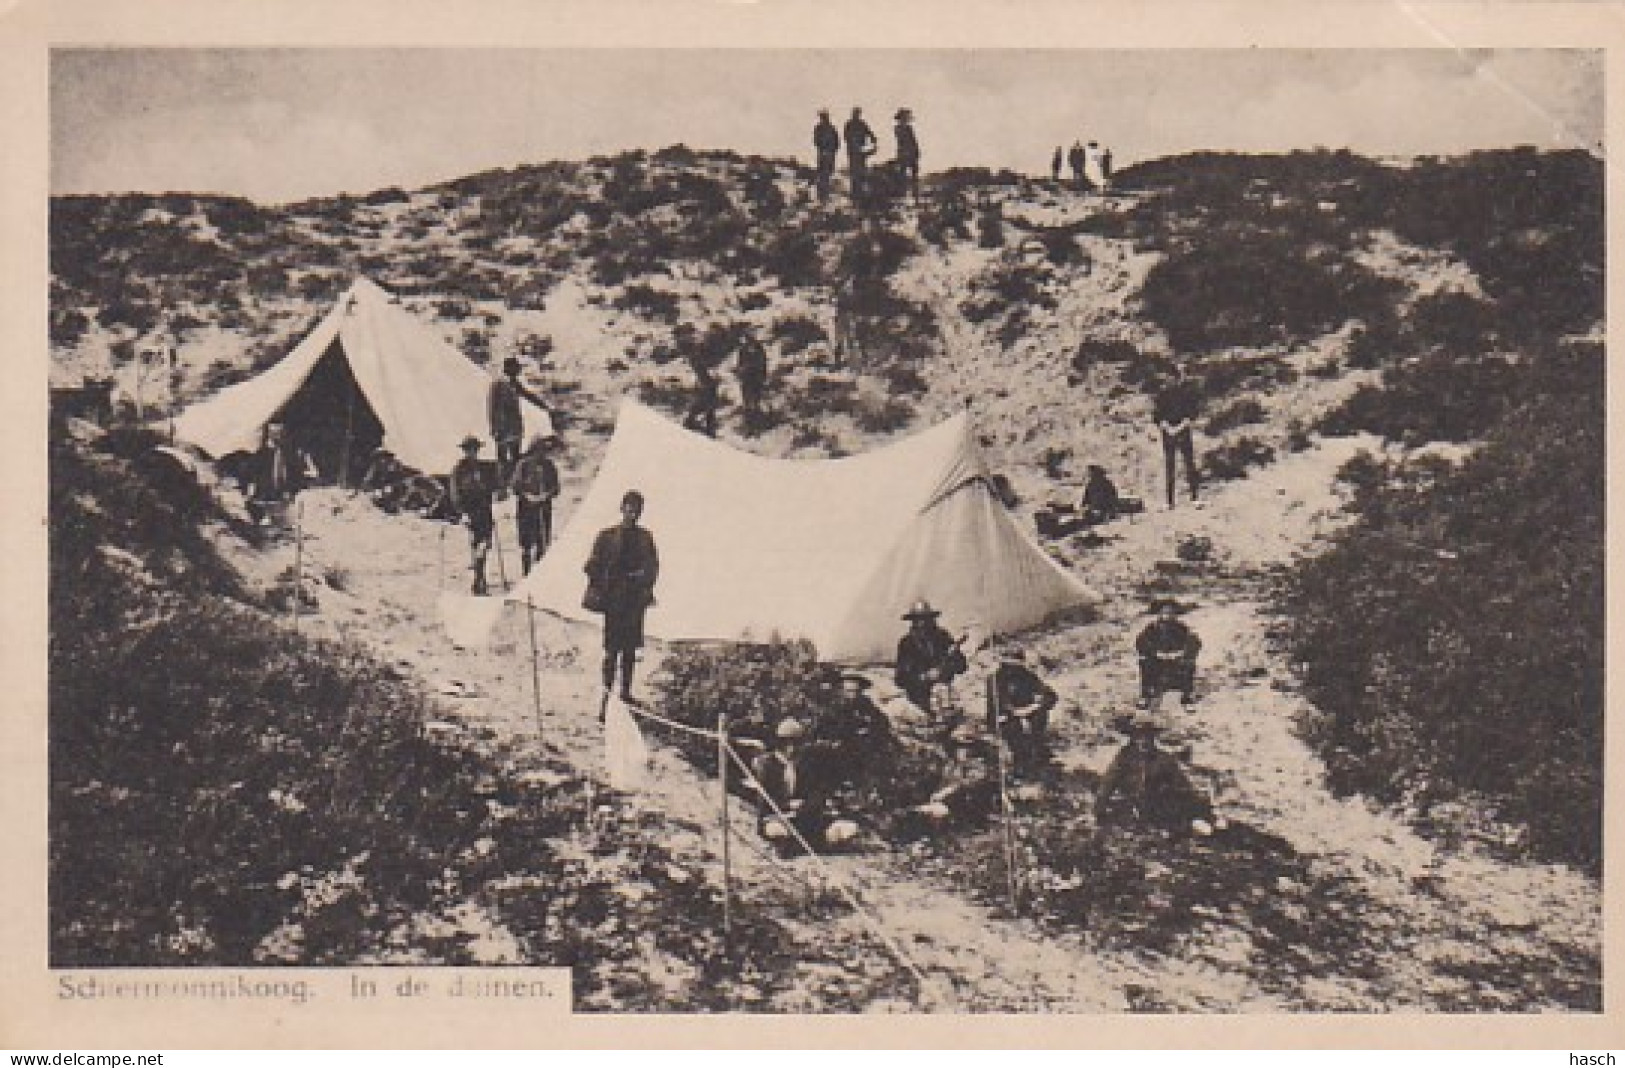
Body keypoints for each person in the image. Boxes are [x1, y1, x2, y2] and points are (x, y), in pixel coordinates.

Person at [584, 490, 660, 704]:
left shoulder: (645, 538)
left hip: (634, 601)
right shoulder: (606, 536)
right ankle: (606, 696)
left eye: (637, 510)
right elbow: (591, 565)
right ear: (622, 509)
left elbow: (652, 567)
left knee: (629, 651)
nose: (632, 514)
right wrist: (605, 581)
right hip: (614, 602)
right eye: (629, 509)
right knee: (611, 651)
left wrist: (639, 578)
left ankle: (625, 693)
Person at [751, 719, 859, 856]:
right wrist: (787, 805)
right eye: (787, 743)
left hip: (805, 819)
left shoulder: (807, 764)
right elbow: (765, 801)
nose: (792, 749)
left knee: (848, 829)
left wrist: (805, 806)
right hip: (776, 817)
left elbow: (818, 794)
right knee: (778, 831)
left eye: (796, 743)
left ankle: (804, 844)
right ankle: (803, 845)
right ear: (779, 743)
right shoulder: (768, 766)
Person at [1094, 715, 1217, 835]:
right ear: (1133, 738)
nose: (1144, 741)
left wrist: (1193, 804)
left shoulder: (1164, 759)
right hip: (1131, 806)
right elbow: (1108, 784)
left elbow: (1183, 786)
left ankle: (1201, 820)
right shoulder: (1124, 758)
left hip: (1157, 807)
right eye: (1139, 737)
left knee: (1180, 813)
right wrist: (1099, 810)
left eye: (1148, 737)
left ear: (1153, 738)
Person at [986, 647, 1059, 778]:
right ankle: (1020, 761)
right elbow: (1001, 705)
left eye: (1015, 665)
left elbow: (1050, 695)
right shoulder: (994, 680)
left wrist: (1038, 705)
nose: (1012, 669)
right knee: (1012, 726)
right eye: (1008, 665)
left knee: (1040, 715)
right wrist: (1020, 712)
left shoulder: (1026, 675)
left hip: (1024, 712)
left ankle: (1037, 749)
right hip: (1004, 717)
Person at [909, 723, 999, 828]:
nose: (960, 751)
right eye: (957, 747)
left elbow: (970, 783)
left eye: (966, 747)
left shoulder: (979, 765)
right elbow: (939, 781)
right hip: (944, 803)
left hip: (965, 808)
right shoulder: (950, 765)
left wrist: (948, 791)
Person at [894, 600, 969, 718]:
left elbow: (962, 666)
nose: (922, 623)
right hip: (919, 698)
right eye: (918, 620)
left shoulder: (943, 637)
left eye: (925, 619)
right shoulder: (907, 644)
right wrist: (924, 676)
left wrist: (947, 667)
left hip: (945, 696)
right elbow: (901, 678)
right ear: (912, 622)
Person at [488, 356, 549, 482]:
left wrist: (545, 406)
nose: (517, 371)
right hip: (503, 428)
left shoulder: (514, 384)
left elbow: (528, 395)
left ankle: (515, 484)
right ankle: (502, 485)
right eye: (515, 368)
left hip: (514, 427)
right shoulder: (498, 384)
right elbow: (493, 408)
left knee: (516, 458)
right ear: (508, 369)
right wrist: (496, 428)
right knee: (503, 459)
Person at [449, 435, 497, 595]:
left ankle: (480, 575)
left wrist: (493, 493)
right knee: (478, 543)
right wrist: (462, 512)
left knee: (486, 543)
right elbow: (455, 493)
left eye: (475, 449)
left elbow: (493, 486)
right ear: (465, 451)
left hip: (485, 510)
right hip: (471, 511)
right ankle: (479, 579)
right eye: (469, 449)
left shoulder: (484, 467)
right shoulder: (459, 470)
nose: (472, 453)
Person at [1152, 362, 1202, 508]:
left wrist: (1179, 428)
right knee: (1170, 466)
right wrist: (1168, 428)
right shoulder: (1161, 395)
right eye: (1169, 377)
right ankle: (1169, 501)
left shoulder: (1186, 394)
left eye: (1174, 377)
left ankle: (1194, 497)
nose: (1171, 380)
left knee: (1189, 464)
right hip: (1168, 432)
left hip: (1183, 430)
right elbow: (1157, 417)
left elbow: (1191, 415)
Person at [1135, 598, 1202, 707]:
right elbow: (1141, 643)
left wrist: (1181, 653)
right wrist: (1155, 653)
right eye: (1164, 612)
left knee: (1189, 664)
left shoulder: (1181, 628)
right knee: (1145, 662)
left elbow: (1194, 642)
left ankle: (1187, 697)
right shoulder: (1152, 628)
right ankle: (1145, 696)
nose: (1167, 615)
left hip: (1176, 661)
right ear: (1159, 614)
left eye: (1170, 613)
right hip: (1157, 661)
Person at [509, 433, 560, 575]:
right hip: (526, 510)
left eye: (543, 450)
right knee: (526, 544)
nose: (541, 453)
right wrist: (528, 496)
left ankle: (539, 574)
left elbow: (556, 488)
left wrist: (546, 495)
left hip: (544, 509)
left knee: (542, 542)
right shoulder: (523, 465)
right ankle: (526, 573)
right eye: (538, 449)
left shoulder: (549, 466)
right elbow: (515, 486)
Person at [245, 422, 310, 528]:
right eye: (275, 433)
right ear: (269, 434)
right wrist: (251, 486)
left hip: (282, 496)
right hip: (264, 494)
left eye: (281, 433)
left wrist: (291, 489)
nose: (279, 436)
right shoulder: (261, 452)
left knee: (285, 523)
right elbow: (253, 472)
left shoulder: (288, 451)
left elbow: (294, 471)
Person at [843, 107, 878, 202]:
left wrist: (873, 140)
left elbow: (869, 133)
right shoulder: (849, 124)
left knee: (861, 171)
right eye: (855, 114)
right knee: (855, 172)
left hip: (861, 151)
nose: (857, 115)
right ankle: (855, 193)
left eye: (858, 114)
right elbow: (846, 137)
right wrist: (855, 144)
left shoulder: (862, 124)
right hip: (853, 151)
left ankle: (860, 192)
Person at [682, 352, 720, 438]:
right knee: (707, 411)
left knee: (705, 410)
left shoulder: (702, 368)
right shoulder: (702, 369)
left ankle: (706, 428)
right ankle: (708, 429)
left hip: (708, 394)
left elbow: (708, 383)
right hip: (708, 394)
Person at [735, 332, 769, 419]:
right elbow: (740, 363)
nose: (749, 341)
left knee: (756, 395)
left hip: (756, 375)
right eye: (748, 339)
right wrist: (740, 373)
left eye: (750, 338)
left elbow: (763, 362)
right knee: (747, 396)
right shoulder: (743, 349)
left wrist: (763, 374)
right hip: (747, 376)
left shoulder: (759, 348)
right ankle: (749, 414)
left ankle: (756, 413)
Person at [893, 107, 921, 203]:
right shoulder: (898, 128)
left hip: (911, 153)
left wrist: (916, 151)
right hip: (904, 153)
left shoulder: (908, 128)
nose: (906, 120)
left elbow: (913, 141)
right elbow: (902, 141)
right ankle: (903, 193)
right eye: (905, 118)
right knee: (903, 173)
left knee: (914, 173)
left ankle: (915, 194)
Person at [812, 109, 840, 202]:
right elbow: (816, 141)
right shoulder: (818, 128)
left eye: (824, 117)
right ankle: (821, 195)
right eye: (822, 117)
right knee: (822, 174)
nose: (823, 119)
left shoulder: (831, 128)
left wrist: (832, 151)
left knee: (827, 174)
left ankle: (825, 195)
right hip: (823, 154)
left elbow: (836, 142)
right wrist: (823, 149)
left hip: (829, 154)